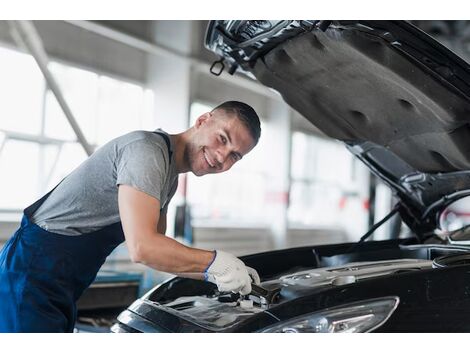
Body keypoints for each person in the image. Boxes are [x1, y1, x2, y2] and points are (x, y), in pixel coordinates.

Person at [0, 100, 262, 332]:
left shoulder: (168, 174)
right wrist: (216, 263)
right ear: (203, 120)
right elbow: (143, 248)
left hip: (59, 279)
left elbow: (158, 253)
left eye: (234, 156)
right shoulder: (146, 153)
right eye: (222, 139)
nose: (221, 157)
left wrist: (221, 274)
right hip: (32, 270)